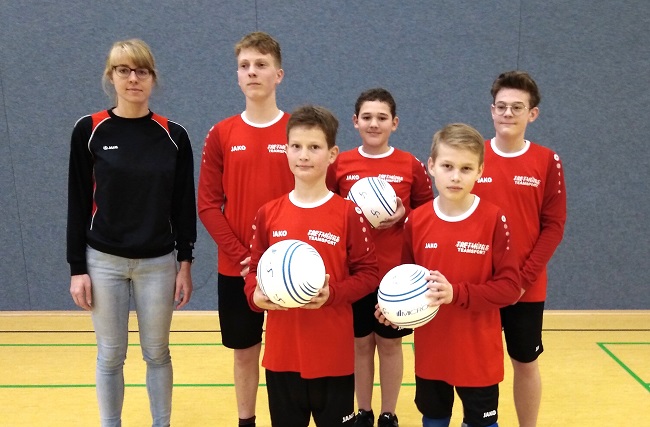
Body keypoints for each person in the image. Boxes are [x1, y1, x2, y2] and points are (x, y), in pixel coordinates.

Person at [66, 38, 196, 427]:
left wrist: (184, 262)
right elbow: (76, 202)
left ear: (153, 78)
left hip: (158, 263)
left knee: (157, 353)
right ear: (111, 77)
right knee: (110, 355)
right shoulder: (88, 130)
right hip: (102, 260)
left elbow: (183, 204)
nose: (133, 78)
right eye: (123, 70)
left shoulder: (174, 135)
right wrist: (77, 268)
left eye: (141, 71)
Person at [378, 123, 521, 427]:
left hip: (479, 355)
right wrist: (394, 310)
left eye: (466, 168)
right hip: (432, 353)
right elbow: (406, 280)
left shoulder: (494, 219)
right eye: (447, 166)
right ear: (431, 166)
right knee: (434, 418)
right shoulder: (417, 221)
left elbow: (510, 288)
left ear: (480, 170)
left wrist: (457, 294)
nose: (456, 176)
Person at [244, 105, 379, 426]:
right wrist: (255, 297)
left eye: (314, 147)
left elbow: (369, 274)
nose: (304, 155)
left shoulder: (348, 213)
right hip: (281, 358)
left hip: (334, 358)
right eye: (296, 146)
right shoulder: (268, 213)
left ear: (332, 154)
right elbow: (253, 273)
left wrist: (333, 293)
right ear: (286, 150)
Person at [197, 31, 294, 427]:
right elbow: (207, 204)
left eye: (260, 65)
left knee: (288, 352)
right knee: (244, 350)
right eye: (244, 66)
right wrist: (244, 257)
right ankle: (246, 421)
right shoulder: (221, 133)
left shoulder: (297, 131)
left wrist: (278, 259)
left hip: (290, 267)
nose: (252, 72)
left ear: (279, 74)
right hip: (236, 268)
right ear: (237, 75)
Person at [326, 88, 433, 427]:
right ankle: (364, 411)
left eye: (382, 118)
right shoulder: (340, 163)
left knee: (389, 345)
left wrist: (404, 214)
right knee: (360, 344)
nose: (374, 124)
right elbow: (327, 207)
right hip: (355, 272)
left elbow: (429, 212)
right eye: (367, 117)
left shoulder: (409, 164)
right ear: (355, 122)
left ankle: (388, 412)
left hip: (396, 276)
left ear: (395, 123)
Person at [472, 71, 567, 427]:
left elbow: (554, 225)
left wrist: (522, 280)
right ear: (491, 110)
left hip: (526, 287)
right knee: (479, 362)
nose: (508, 113)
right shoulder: (472, 154)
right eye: (501, 106)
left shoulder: (546, 160)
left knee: (524, 361)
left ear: (533, 113)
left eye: (517, 107)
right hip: (478, 284)